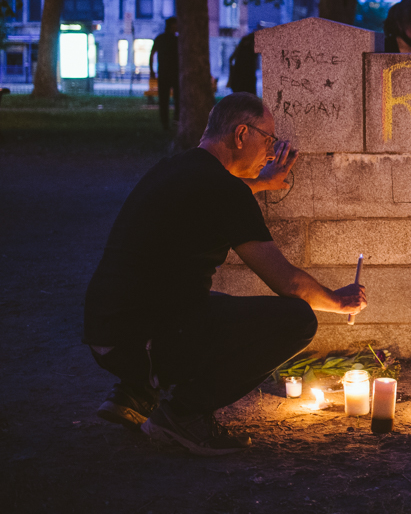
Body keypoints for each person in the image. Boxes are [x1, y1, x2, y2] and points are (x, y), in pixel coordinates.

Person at [83, 93, 367, 455]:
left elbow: (213, 198)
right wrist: (338, 301)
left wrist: (260, 183)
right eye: (269, 140)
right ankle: (184, 415)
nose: (270, 151)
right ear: (241, 134)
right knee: (296, 320)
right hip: (143, 341)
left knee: (209, 304)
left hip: (107, 332)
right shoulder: (223, 190)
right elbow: (287, 282)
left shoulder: (175, 168)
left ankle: (135, 392)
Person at [149, 17, 179, 130]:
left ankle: (166, 122)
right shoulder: (176, 40)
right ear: (172, 25)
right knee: (176, 98)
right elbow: (152, 54)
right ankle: (173, 120)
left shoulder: (160, 38)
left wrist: (152, 70)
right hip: (172, 73)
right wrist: (152, 70)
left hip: (165, 72)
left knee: (165, 99)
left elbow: (152, 54)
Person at [227, 30, 259, 94]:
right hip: (246, 78)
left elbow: (231, 58)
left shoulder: (243, 44)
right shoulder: (251, 45)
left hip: (239, 77)